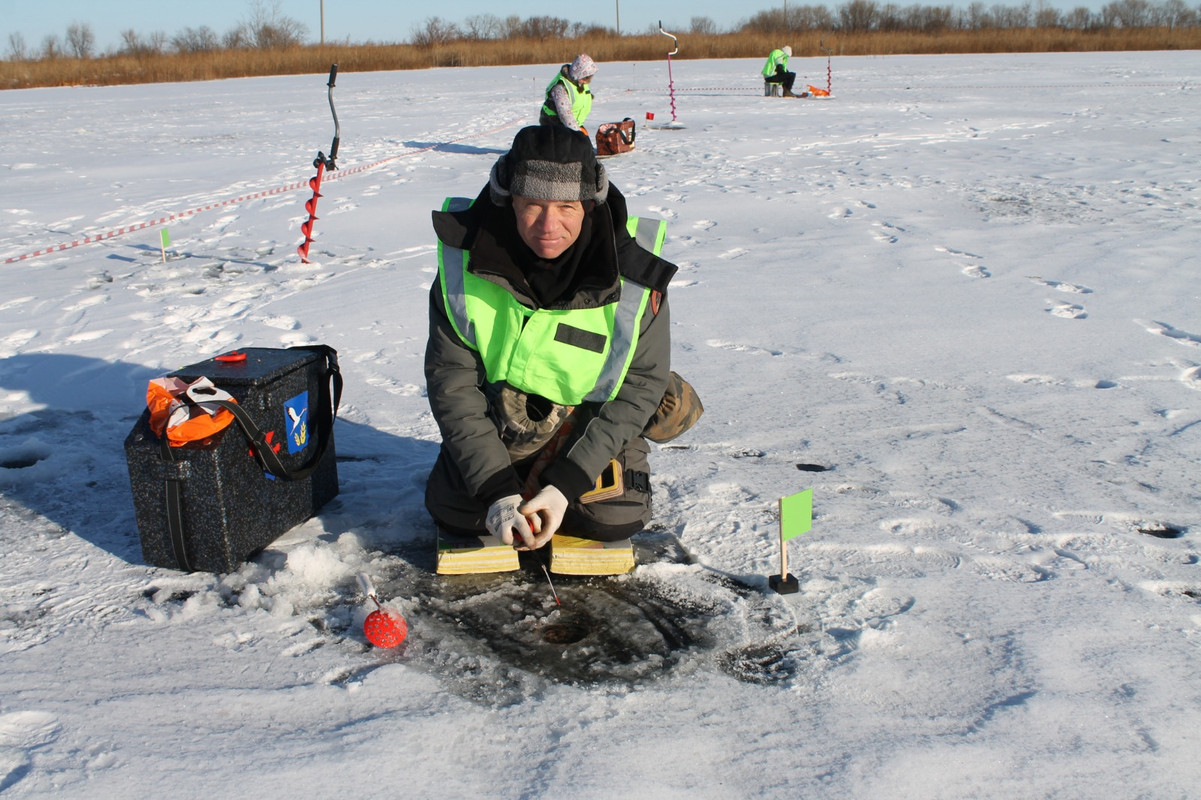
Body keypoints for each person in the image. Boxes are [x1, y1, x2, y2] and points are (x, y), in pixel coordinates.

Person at [424, 125, 701, 551]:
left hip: (591, 418)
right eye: (532, 204)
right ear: (508, 198)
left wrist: (564, 485)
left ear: (591, 202)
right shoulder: (463, 266)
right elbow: (452, 382)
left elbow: (639, 386)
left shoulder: (639, 278)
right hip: (505, 420)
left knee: (611, 517)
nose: (548, 225)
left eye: (566, 206)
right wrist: (497, 489)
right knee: (458, 513)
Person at [540, 54, 597, 134]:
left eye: (589, 78)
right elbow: (565, 115)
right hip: (554, 127)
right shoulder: (560, 88)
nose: (586, 82)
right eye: (585, 78)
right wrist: (578, 133)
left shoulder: (580, 83)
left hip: (574, 125)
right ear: (577, 74)